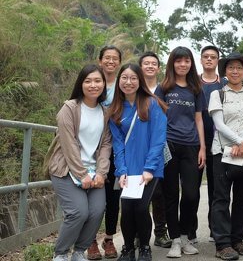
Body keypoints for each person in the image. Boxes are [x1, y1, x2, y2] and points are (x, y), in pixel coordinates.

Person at [47, 64, 112, 261]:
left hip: (94, 171)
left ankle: (78, 252)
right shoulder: (70, 108)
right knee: (77, 212)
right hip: (66, 169)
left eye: (97, 81)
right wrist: (81, 173)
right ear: (81, 84)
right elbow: (68, 144)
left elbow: (106, 144)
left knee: (97, 211)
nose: (93, 85)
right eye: (88, 81)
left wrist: (101, 172)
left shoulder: (105, 112)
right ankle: (60, 254)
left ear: (103, 84)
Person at [108, 63, 167, 261]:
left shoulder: (152, 103)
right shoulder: (115, 108)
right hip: (128, 170)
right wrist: (121, 171)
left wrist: (149, 168)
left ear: (140, 80)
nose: (128, 82)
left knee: (141, 208)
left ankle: (144, 248)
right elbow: (118, 145)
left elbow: (158, 139)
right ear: (119, 81)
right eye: (124, 78)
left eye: (133, 78)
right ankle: (128, 249)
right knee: (127, 210)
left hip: (150, 167)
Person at [209, 52, 243, 260]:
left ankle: (237, 240)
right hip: (223, 153)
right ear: (225, 71)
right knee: (221, 198)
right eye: (231, 67)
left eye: (239, 68)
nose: (235, 71)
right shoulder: (218, 95)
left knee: (242, 198)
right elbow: (219, 124)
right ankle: (222, 244)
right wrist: (240, 142)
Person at [155, 46, 206, 258]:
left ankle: (185, 236)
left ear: (191, 64)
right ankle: (175, 240)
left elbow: (198, 119)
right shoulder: (163, 88)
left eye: (186, 61)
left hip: (191, 146)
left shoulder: (196, 89)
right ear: (172, 63)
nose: (183, 64)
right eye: (179, 61)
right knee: (170, 195)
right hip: (169, 145)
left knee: (191, 194)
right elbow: (157, 120)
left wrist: (202, 147)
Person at [88, 46, 122, 260]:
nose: (110, 61)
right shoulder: (93, 82)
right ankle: (90, 240)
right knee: (92, 195)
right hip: (92, 147)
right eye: (107, 58)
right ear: (100, 60)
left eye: (115, 58)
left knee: (113, 196)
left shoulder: (123, 85)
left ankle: (109, 238)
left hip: (116, 148)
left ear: (119, 62)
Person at [138, 52, 172, 248]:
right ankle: (136, 233)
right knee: (137, 191)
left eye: (154, 64)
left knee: (159, 191)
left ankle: (160, 232)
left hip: (161, 145)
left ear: (158, 68)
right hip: (137, 146)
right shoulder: (133, 86)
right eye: (146, 63)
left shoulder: (164, 88)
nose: (150, 66)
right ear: (140, 66)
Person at [197, 45, 225, 243]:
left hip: (218, 141)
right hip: (195, 141)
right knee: (192, 187)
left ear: (217, 61)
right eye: (205, 57)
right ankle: (189, 232)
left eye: (213, 57)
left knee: (217, 188)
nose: (209, 60)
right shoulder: (192, 83)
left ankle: (215, 230)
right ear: (200, 60)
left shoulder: (224, 83)